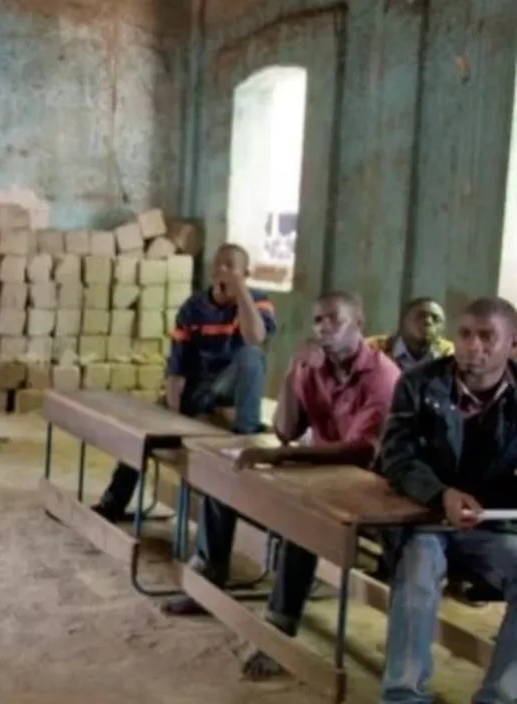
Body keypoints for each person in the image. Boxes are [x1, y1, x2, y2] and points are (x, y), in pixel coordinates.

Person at [210, 292, 397, 678]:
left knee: (304, 518)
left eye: (335, 320)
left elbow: (362, 451)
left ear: (358, 324)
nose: (324, 328)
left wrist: (285, 457)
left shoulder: (382, 375)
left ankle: (279, 626)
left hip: (376, 482)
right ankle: (207, 569)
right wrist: (295, 370)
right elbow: (285, 430)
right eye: (317, 321)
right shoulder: (316, 366)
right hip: (327, 471)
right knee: (227, 472)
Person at [377, 296, 517, 704]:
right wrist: (441, 494)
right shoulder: (418, 384)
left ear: (512, 343)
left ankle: (500, 697)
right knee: (419, 570)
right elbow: (397, 457)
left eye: (487, 336)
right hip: (426, 519)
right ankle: (403, 696)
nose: (474, 346)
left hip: (490, 527)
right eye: (466, 334)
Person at [92, 243, 276, 521]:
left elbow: (256, 338)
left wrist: (241, 292)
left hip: (229, 389)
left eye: (230, 266)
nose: (221, 270)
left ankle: (245, 431)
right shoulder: (194, 307)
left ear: (245, 273)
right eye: (218, 264)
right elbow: (176, 366)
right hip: (198, 389)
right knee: (142, 430)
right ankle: (113, 502)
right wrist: (174, 412)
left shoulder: (258, 301)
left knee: (252, 355)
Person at [367, 297, 453, 372]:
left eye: (435, 319)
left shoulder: (451, 355)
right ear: (403, 320)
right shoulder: (372, 349)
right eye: (421, 316)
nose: (428, 322)